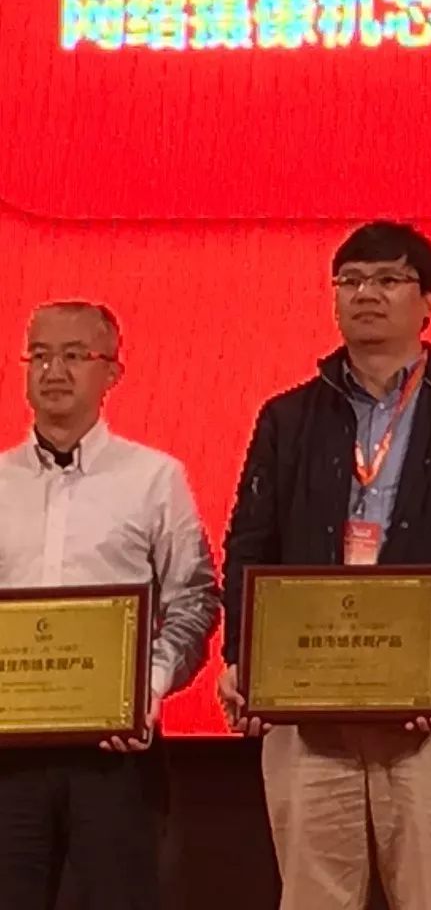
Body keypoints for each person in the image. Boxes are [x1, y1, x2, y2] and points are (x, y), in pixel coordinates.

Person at [217, 222, 431, 910]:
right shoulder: (288, 417)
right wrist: (244, 654)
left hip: (429, 710)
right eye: (351, 280)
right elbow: (248, 547)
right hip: (306, 711)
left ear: (429, 301)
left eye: (389, 279)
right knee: (312, 898)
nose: (367, 294)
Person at [0, 301, 220, 909]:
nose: (54, 371)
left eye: (75, 355)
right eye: (39, 355)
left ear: (113, 374)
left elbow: (195, 598)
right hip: (7, 754)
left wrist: (146, 689)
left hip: (118, 753)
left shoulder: (154, 478)